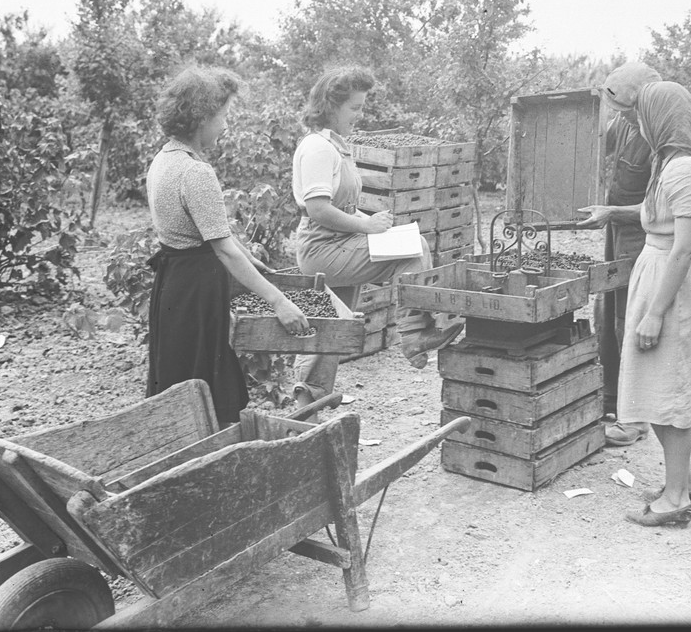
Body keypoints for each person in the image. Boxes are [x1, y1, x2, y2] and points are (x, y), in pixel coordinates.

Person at [291, 65, 464, 410]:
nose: (359, 115)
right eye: (354, 108)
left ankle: (305, 405)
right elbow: (318, 209)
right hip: (322, 248)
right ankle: (414, 334)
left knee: (332, 322)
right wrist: (366, 228)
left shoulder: (335, 145)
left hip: (334, 242)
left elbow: (340, 204)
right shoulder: (318, 149)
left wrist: (369, 219)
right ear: (330, 106)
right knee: (414, 249)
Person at [146, 65, 311, 427]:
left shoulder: (163, 161)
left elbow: (206, 230)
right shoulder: (196, 173)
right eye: (223, 116)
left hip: (173, 286)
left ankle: (180, 445)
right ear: (200, 118)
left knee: (177, 373)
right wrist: (279, 301)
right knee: (205, 381)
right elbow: (223, 250)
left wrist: (248, 253)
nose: (226, 126)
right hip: (197, 292)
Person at [606, 81, 691, 527]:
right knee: (655, 389)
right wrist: (612, 212)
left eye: (641, 114)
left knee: (668, 394)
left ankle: (676, 500)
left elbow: (683, 248)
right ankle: (685, 482)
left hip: (669, 288)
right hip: (657, 276)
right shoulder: (671, 164)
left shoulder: (685, 171)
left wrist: (655, 311)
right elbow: (661, 218)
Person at [574, 62, 662, 446]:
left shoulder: (659, 136)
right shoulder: (626, 122)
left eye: (620, 104)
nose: (617, 112)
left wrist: (612, 213)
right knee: (607, 313)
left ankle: (635, 418)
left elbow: (658, 210)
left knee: (632, 320)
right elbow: (591, 143)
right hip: (616, 233)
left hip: (643, 239)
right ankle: (612, 399)